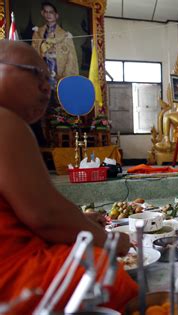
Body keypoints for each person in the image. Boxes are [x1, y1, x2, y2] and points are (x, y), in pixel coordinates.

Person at [0, 41, 137, 313]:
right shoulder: (5, 121)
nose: (45, 87)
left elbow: (23, 212)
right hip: (12, 277)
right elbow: (46, 217)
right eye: (34, 73)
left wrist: (80, 221)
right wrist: (108, 241)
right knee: (103, 270)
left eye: (48, 77)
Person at [31, 1, 79, 87]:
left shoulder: (65, 35)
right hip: (42, 74)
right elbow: (33, 55)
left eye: (51, 12)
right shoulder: (37, 33)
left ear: (56, 15)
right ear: (42, 13)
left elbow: (71, 59)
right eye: (46, 12)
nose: (48, 14)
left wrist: (65, 78)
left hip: (59, 75)